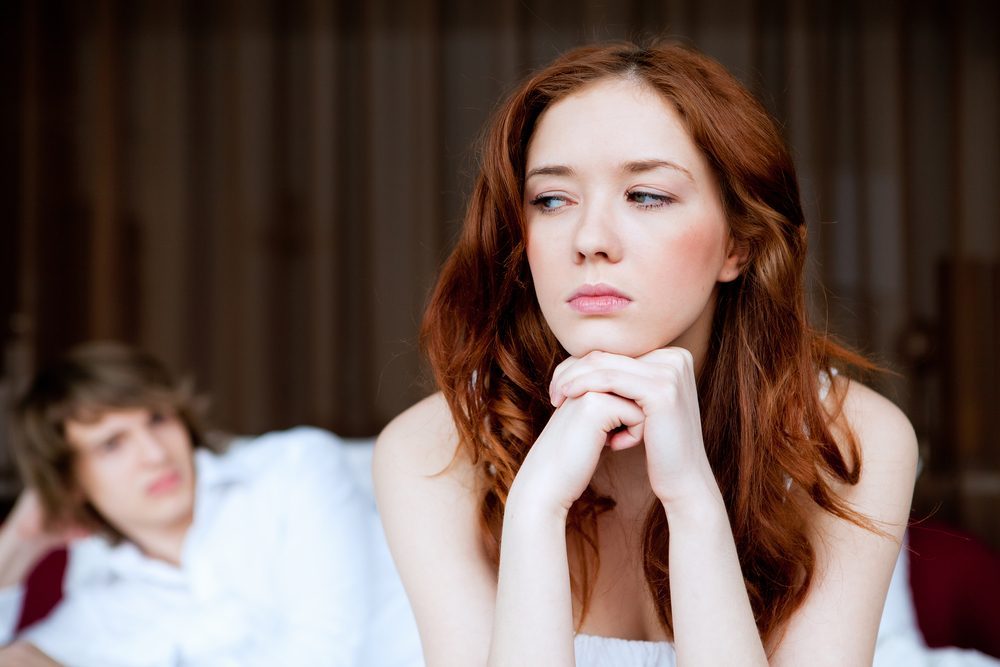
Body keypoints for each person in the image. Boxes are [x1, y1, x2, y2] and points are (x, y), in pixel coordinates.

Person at [374, 41, 921, 666]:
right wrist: (536, 510)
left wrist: (692, 503)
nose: (590, 240)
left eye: (647, 196)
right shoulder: (431, 450)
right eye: (551, 200)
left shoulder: (852, 441)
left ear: (737, 245)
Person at [0, 342, 422, 666]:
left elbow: (323, 654)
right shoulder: (101, 607)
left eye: (158, 419)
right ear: (71, 482)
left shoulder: (293, 469)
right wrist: (16, 548)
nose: (154, 453)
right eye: (112, 444)